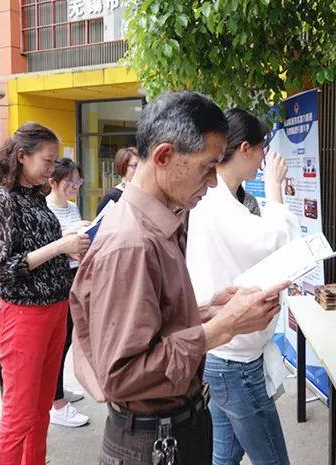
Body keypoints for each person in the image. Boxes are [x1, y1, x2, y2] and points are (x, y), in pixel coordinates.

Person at [70, 91, 289, 465]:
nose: (213, 183)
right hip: (152, 441)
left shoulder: (159, 225)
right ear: (164, 156)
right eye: (207, 167)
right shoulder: (131, 243)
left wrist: (208, 310)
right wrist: (225, 327)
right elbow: (121, 374)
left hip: (173, 429)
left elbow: (152, 326)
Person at [186, 108, 298, 465]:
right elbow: (275, 243)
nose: (265, 160)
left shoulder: (222, 198)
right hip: (236, 359)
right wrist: (276, 189)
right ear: (246, 148)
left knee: (224, 455)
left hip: (226, 352)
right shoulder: (217, 201)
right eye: (263, 150)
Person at [0, 123, 90, 465]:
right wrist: (60, 246)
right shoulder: (2, 200)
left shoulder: (35, 196)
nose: (52, 170)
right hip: (24, 316)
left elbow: (40, 248)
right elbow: (2, 267)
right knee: (19, 415)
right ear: (22, 156)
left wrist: (68, 245)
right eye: (47, 161)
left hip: (54, 308)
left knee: (40, 410)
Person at [45, 157, 90, 427]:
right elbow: (46, 253)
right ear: (52, 182)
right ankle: (57, 403)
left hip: (75, 278)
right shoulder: (45, 210)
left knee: (67, 340)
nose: (75, 186)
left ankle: (57, 390)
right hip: (56, 283)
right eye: (69, 182)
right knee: (59, 345)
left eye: (78, 181)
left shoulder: (72, 208)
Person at [96, 146, 138, 214]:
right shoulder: (112, 197)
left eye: (141, 165)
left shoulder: (142, 194)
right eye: (135, 166)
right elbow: (100, 223)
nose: (139, 169)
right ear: (123, 166)